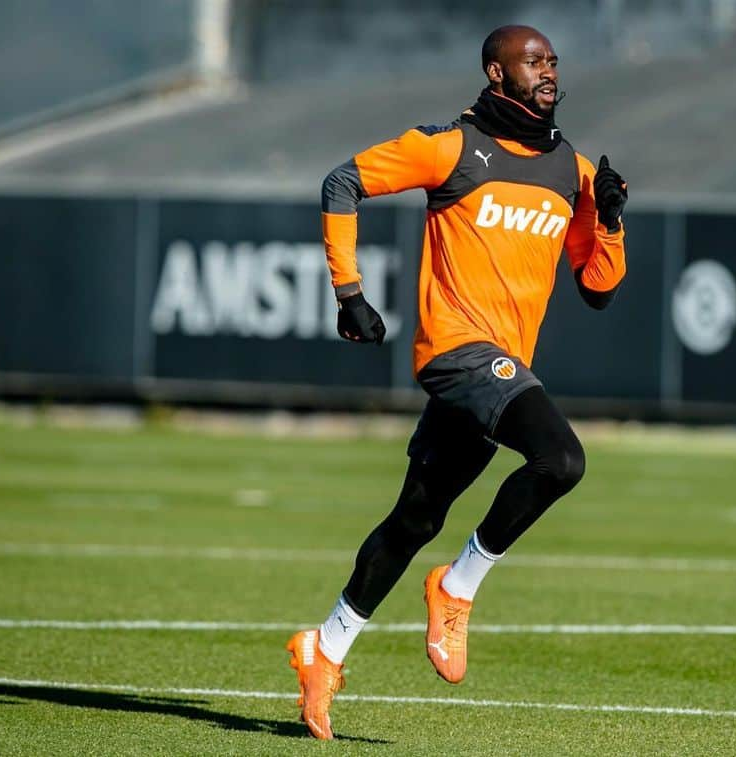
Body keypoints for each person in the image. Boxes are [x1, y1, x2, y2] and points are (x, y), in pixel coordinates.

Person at [286, 24, 628, 740]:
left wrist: (613, 221)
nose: (548, 72)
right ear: (496, 73)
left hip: (502, 367)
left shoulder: (574, 170)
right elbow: (342, 181)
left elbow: (598, 286)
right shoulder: (451, 147)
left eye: (553, 62)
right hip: (458, 352)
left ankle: (325, 646)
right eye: (532, 61)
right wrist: (348, 291)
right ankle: (459, 584)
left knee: (415, 519)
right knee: (562, 459)